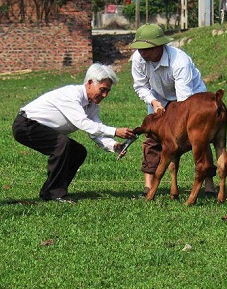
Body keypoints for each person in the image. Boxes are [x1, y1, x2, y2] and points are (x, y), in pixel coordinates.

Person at [12, 63, 135, 203]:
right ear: (89, 83)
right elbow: (83, 123)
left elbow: (95, 129)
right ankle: (55, 193)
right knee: (62, 144)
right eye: (102, 90)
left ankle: (49, 191)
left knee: (78, 151)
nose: (105, 95)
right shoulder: (71, 95)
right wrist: (115, 131)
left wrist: (113, 145)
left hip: (40, 128)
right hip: (26, 125)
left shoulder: (92, 105)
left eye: (108, 91)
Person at [130, 23, 216, 197]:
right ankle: (148, 186)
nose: (142, 52)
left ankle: (209, 185)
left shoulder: (180, 61)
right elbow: (140, 86)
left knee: (199, 138)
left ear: (159, 46)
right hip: (158, 99)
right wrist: (154, 102)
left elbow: (184, 100)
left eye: (146, 48)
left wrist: (173, 123)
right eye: (139, 48)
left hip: (190, 98)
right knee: (152, 137)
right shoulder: (139, 58)